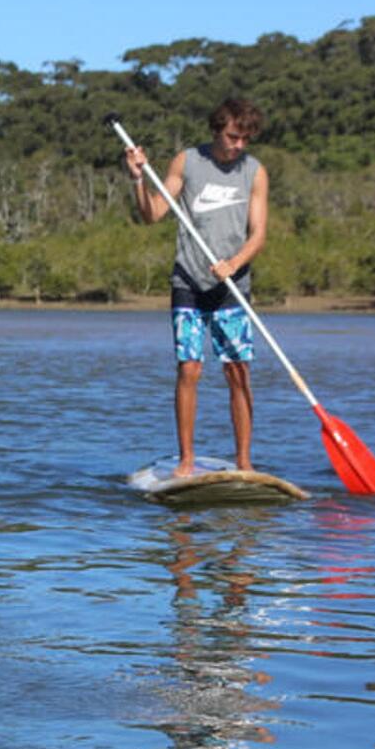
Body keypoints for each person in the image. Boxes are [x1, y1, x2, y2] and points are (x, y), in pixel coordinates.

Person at [124, 98, 270, 478]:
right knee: (189, 369)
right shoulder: (187, 162)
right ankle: (186, 460)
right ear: (216, 130)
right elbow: (152, 213)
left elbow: (258, 235)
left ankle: (244, 462)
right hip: (188, 280)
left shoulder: (254, 171)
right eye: (232, 137)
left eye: (245, 138)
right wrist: (139, 178)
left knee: (238, 372)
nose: (238, 145)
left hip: (233, 286)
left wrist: (234, 264)